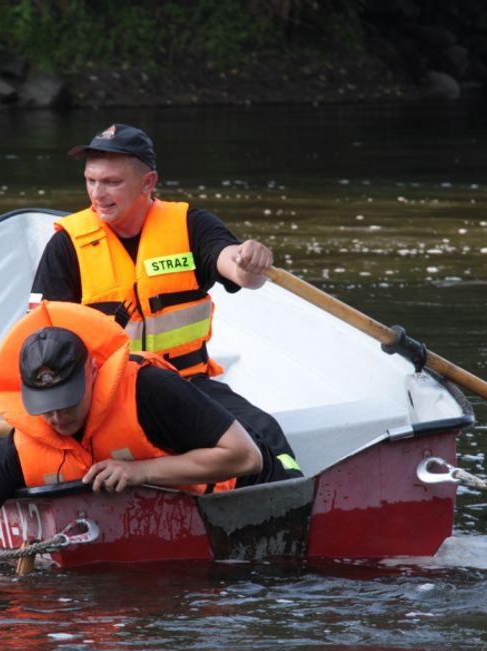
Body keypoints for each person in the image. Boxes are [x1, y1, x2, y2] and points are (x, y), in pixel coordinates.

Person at [0, 301, 293, 565]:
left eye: (67, 401)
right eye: (45, 405)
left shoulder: (149, 390)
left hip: (243, 505)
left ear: (93, 371)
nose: (56, 416)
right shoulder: (26, 439)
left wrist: (140, 472)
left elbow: (246, 457)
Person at [30, 122, 301, 476]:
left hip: (188, 384)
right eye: (91, 180)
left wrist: (249, 261)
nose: (97, 193)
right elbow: (41, 341)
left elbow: (234, 266)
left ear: (148, 183)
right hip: (107, 398)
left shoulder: (191, 225)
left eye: (112, 182)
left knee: (265, 436)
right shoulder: (67, 246)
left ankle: (292, 499)